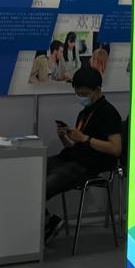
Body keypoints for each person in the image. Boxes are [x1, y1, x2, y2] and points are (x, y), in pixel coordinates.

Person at [44, 67, 123, 243]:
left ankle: (47, 225)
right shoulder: (85, 112)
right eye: (78, 94)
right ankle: (49, 222)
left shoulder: (108, 113)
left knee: (44, 187)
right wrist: (65, 137)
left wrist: (85, 138)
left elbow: (115, 148)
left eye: (85, 94)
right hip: (70, 158)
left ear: (97, 90)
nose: (81, 97)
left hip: (88, 166)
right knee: (31, 175)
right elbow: (77, 146)